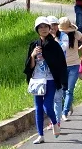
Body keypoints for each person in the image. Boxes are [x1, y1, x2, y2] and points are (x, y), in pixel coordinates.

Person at [24, 16, 67, 144]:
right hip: (37, 80)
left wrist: (63, 81)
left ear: (49, 28)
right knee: (38, 108)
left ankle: (55, 122)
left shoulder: (54, 45)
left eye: (45, 26)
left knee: (47, 106)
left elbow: (61, 64)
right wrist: (33, 55)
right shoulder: (33, 44)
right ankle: (40, 135)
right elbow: (29, 66)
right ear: (37, 29)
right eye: (40, 27)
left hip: (50, 79)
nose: (43, 29)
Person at [57, 17, 82, 122]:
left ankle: (65, 112)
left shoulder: (76, 34)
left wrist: (80, 50)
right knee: (63, 89)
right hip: (62, 66)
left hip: (75, 65)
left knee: (69, 90)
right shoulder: (58, 36)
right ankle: (69, 104)